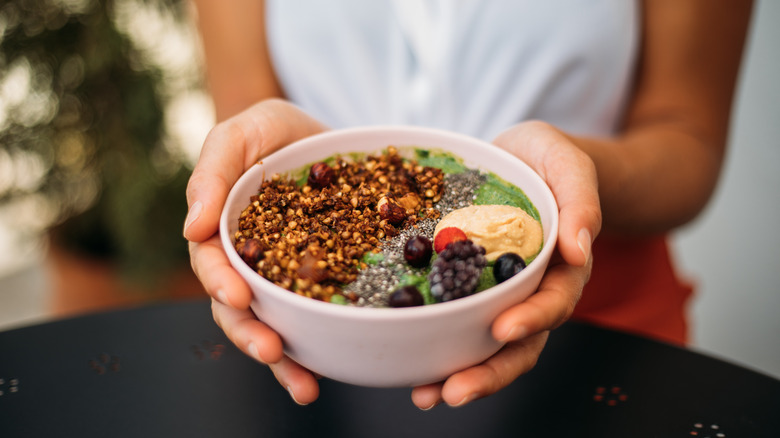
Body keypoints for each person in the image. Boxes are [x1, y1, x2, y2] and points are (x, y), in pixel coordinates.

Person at [184, 0, 753, 409]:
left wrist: (570, 172)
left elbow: (687, 136)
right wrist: (247, 174)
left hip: (591, 328)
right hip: (308, 335)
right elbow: (244, 104)